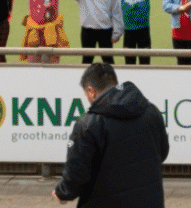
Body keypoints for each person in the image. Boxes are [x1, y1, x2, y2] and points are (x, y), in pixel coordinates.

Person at [52, 62, 168, 208]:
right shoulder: (151, 111)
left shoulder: (88, 124)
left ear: (91, 91)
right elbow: (162, 152)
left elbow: (77, 174)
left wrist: (62, 192)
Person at [68, 0, 123, 64]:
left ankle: (110, 75)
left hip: (106, 31)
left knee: (108, 59)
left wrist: (117, 33)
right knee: (87, 59)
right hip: (87, 31)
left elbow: (116, 13)